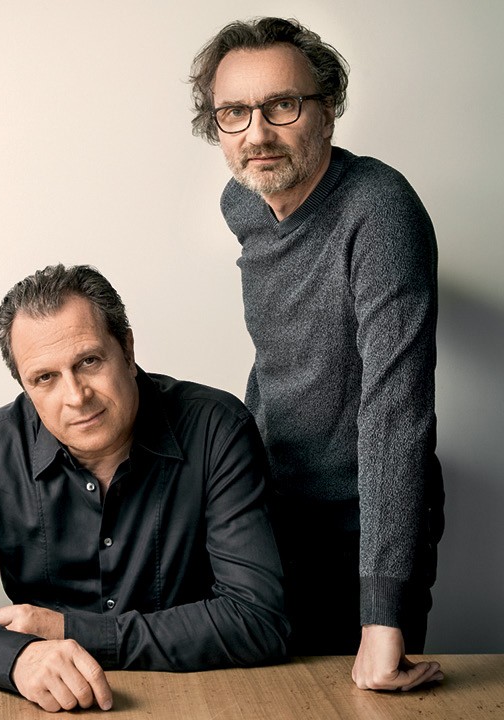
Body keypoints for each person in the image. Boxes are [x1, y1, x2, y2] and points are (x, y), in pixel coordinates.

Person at [189, 17, 444, 691]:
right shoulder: (244, 202)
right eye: (234, 113)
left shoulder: (379, 212)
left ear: (327, 110)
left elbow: (397, 409)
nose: (257, 135)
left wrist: (382, 614)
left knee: (352, 697)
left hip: (365, 522)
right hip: (270, 511)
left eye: (282, 105)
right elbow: (282, 349)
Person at [0, 264, 288, 713]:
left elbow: (257, 618)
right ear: (25, 386)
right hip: (51, 705)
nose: (76, 396)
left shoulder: (216, 430)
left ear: (127, 349)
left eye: (88, 362)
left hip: (202, 701)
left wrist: (71, 632)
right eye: (45, 378)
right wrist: (20, 659)